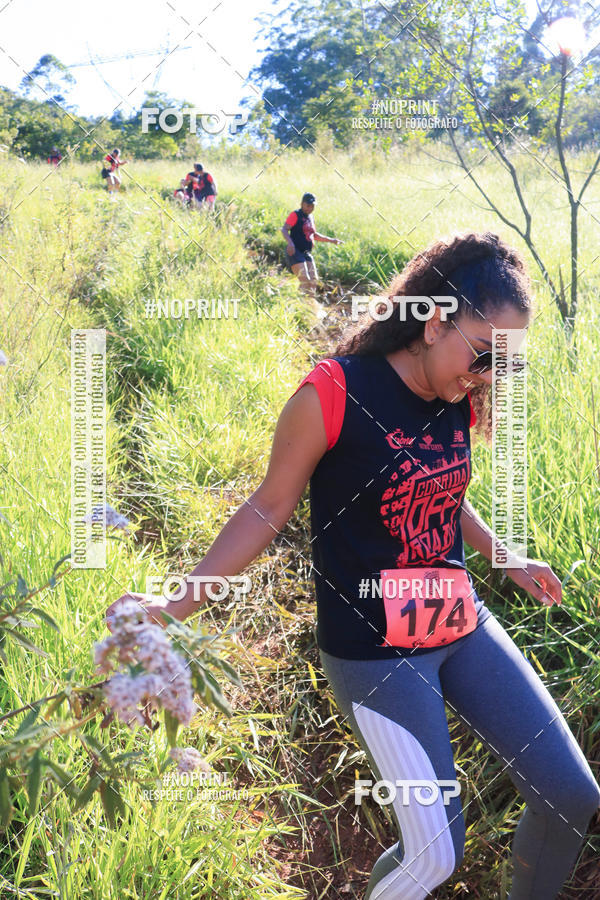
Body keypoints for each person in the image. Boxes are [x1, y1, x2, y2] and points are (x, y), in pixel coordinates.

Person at [106, 231, 600, 899]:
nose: (487, 378)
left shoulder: (458, 395)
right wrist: (176, 604)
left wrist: (504, 557)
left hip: (459, 622)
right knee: (431, 855)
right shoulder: (333, 394)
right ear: (432, 322)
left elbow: (441, 492)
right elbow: (266, 508)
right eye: (484, 356)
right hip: (376, 653)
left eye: (505, 366)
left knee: (570, 793)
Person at [281, 192, 343, 315]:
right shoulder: (295, 215)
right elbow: (284, 229)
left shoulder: (311, 217)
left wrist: (331, 240)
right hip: (295, 251)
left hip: (306, 252)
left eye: (312, 205)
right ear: (302, 204)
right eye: (307, 205)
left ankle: (308, 307)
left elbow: (313, 234)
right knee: (305, 280)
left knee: (313, 281)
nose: (310, 208)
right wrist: (290, 243)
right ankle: (297, 307)